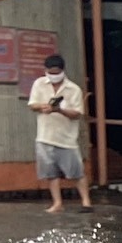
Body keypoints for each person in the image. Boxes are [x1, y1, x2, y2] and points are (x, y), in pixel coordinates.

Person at [25, 52, 90, 213]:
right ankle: (57, 203)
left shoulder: (73, 89)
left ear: (62, 71)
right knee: (50, 173)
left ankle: (86, 202)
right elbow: (32, 105)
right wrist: (43, 107)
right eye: (50, 73)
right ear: (45, 71)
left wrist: (59, 110)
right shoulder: (39, 84)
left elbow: (77, 114)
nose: (53, 76)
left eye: (56, 73)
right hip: (45, 136)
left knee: (76, 172)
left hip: (67, 138)